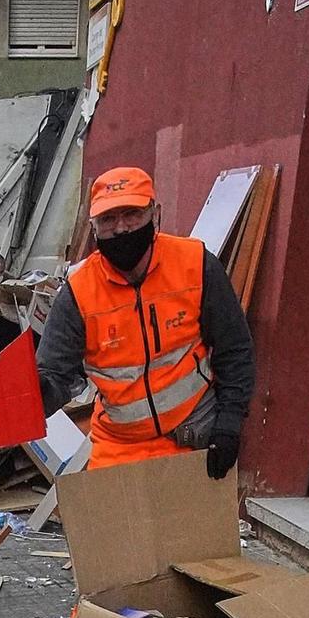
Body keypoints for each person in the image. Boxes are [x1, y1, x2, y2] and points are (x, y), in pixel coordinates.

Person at [36, 167, 255, 477]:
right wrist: (28, 399)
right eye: (108, 220)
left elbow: (235, 348)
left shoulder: (195, 265)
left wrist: (229, 424)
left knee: (192, 528)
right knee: (110, 527)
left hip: (195, 438)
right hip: (119, 447)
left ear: (155, 213)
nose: (122, 228)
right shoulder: (78, 292)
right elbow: (55, 374)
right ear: (94, 228)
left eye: (132, 214)